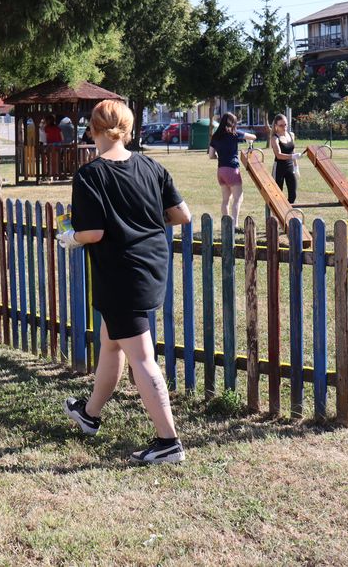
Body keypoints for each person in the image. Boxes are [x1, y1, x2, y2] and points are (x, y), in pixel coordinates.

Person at [59, 99, 192, 464]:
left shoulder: (90, 175)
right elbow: (182, 214)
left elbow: (94, 232)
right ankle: (90, 414)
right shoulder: (151, 166)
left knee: (142, 357)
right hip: (151, 268)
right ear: (129, 129)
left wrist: (70, 237)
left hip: (120, 274)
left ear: (92, 130)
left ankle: (168, 442)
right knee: (112, 343)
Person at [208, 112, 256, 227]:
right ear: (233, 123)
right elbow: (253, 137)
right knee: (238, 198)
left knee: (225, 200)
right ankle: (234, 224)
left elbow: (210, 155)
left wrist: (218, 157)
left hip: (221, 170)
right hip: (232, 169)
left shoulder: (215, 136)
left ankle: (226, 224)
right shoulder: (235, 134)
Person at [268, 114, 300, 203]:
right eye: (281, 125)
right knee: (277, 194)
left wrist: (296, 167)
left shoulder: (291, 135)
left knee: (293, 194)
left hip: (290, 167)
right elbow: (278, 155)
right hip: (279, 167)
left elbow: (293, 151)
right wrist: (292, 156)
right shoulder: (275, 138)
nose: (284, 127)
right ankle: (276, 215)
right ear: (276, 126)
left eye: (285, 124)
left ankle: (289, 214)